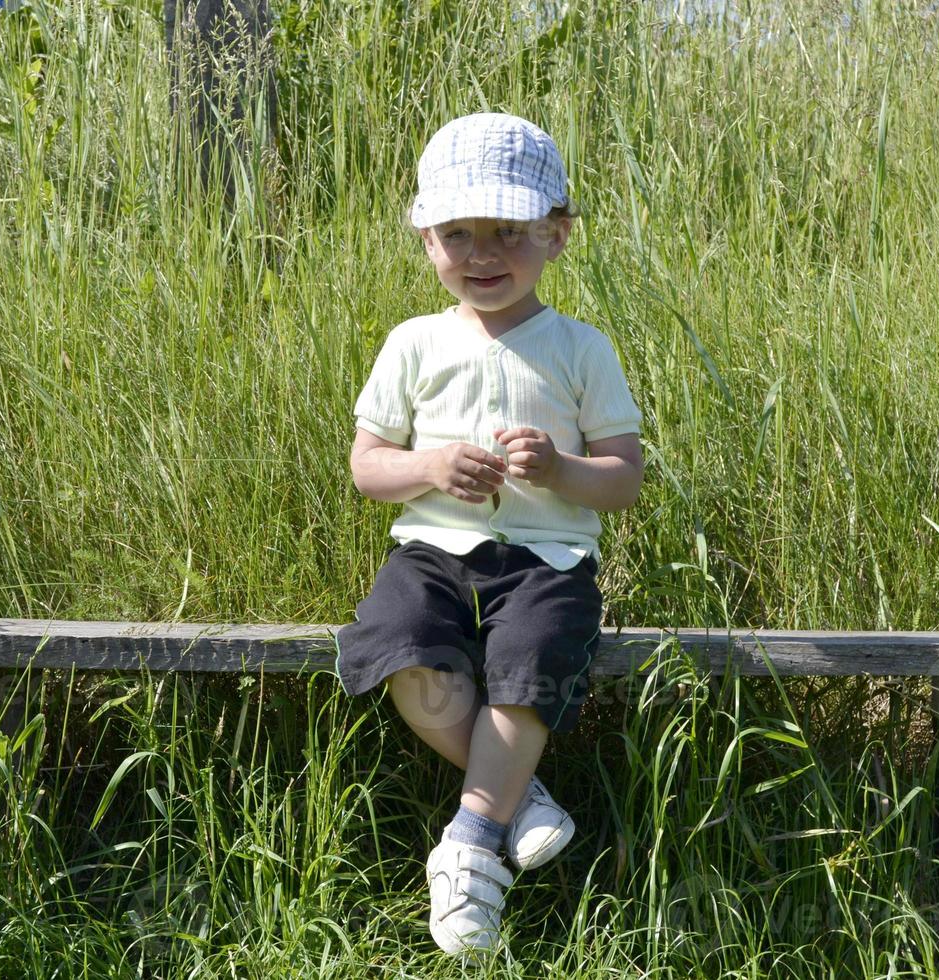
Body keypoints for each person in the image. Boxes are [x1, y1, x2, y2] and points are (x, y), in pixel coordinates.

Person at [335, 112, 643, 958]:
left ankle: (470, 846)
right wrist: (429, 467)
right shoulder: (413, 342)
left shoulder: (580, 349)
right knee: (397, 649)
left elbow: (623, 477)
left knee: (532, 656)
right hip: (430, 551)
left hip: (547, 558)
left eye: (506, 231)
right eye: (456, 232)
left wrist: (559, 472)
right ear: (425, 236)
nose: (480, 253)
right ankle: (518, 793)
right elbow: (368, 467)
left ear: (557, 234)